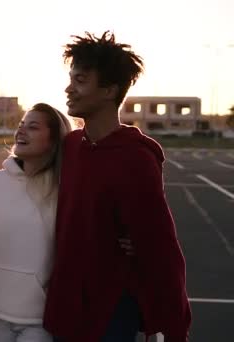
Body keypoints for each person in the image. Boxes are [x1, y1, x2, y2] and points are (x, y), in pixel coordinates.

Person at [43, 31, 191, 342]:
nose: (69, 89)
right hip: (66, 306)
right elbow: (25, 163)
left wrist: (173, 327)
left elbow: (160, 249)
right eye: (70, 78)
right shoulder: (70, 145)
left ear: (109, 90)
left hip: (110, 312)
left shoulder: (136, 158)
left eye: (80, 80)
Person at [0, 103, 72, 342]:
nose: (21, 131)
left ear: (53, 141)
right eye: (21, 125)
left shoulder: (65, 188)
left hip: (40, 317)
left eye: (33, 127)